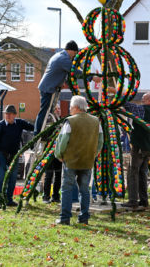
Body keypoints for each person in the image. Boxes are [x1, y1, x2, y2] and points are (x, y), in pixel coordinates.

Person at [54, 95, 102, 225]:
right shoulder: (96, 121)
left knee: (67, 189)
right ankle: (84, 217)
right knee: (85, 190)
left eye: (70, 107)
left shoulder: (70, 121)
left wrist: (59, 154)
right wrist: (94, 154)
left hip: (71, 160)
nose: (69, 110)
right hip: (87, 161)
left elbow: (63, 141)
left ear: (76, 107)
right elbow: (100, 141)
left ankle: (65, 218)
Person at [0, 105, 34, 209]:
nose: (8, 115)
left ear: (15, 115)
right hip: (1, 154)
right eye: (6, 113)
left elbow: (32, 127)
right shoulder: (0, 125)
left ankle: (9, 199)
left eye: (10, 114)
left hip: (14, 155)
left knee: (13, 178)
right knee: (0, 177)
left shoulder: (19, 123)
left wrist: (43, 125)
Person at [121, 92, 150, 209]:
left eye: (143, 98)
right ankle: (144, 200)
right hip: (148, 146)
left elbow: (127, 105)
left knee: (133, 172)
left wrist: (119, 94)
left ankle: (133, 200)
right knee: (142, 173)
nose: (141, 100)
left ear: (148, 101)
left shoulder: (144, 109)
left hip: (140, 146)